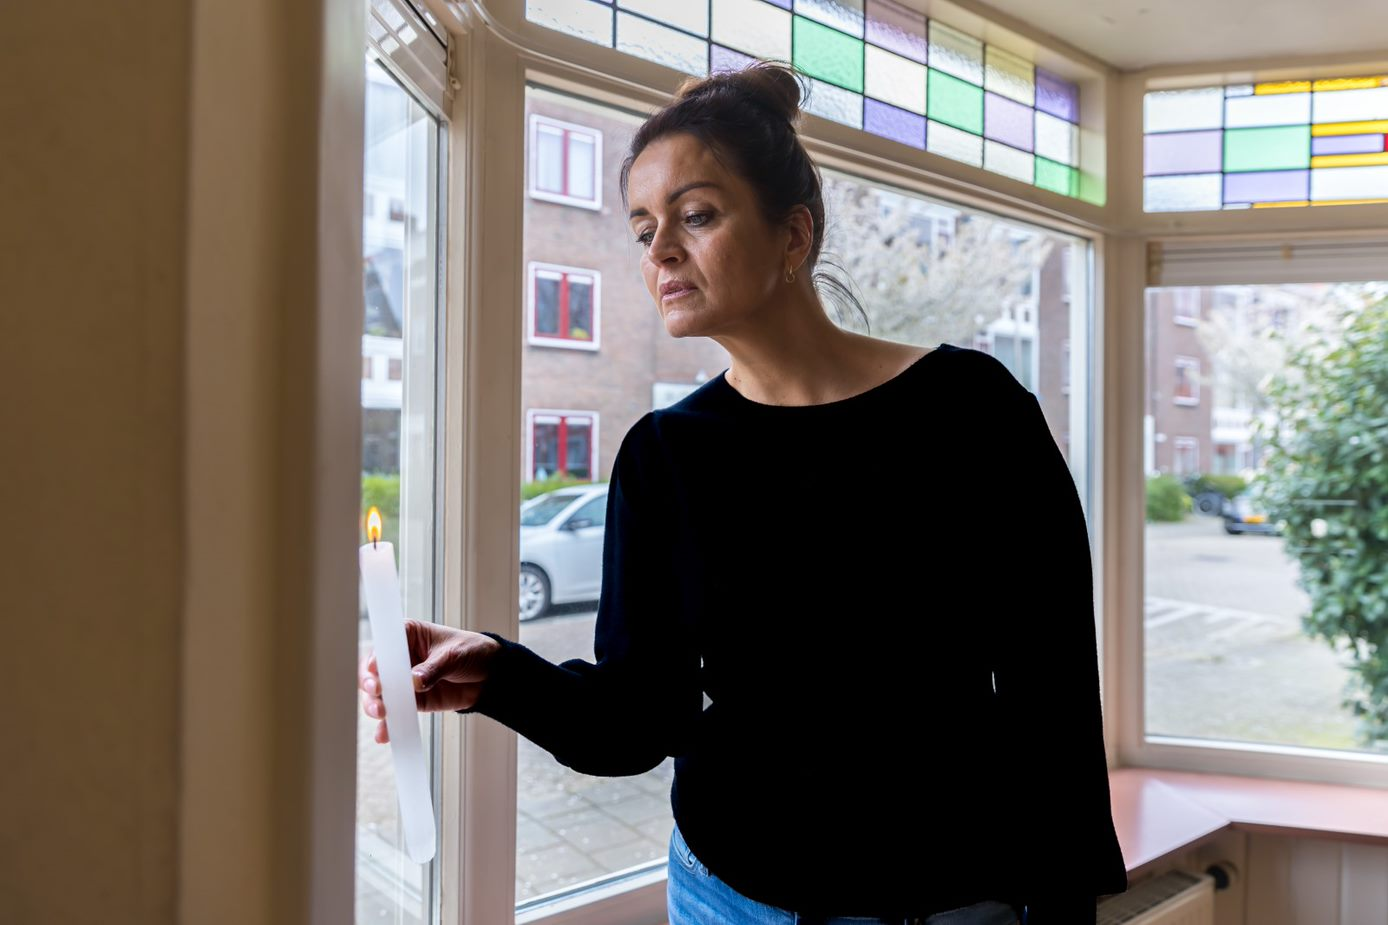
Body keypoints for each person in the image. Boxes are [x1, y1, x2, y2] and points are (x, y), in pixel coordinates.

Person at [359, 59, 1128, 925]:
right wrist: (495, 672)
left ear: (794, 234)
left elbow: (1053, 696)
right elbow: (635, 721)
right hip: (726, 896)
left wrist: (1065, 912)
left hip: (946, 901)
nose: (660, 252)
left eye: (696, 215)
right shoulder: (663, 456)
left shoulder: (972, 410)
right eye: (643, 227)